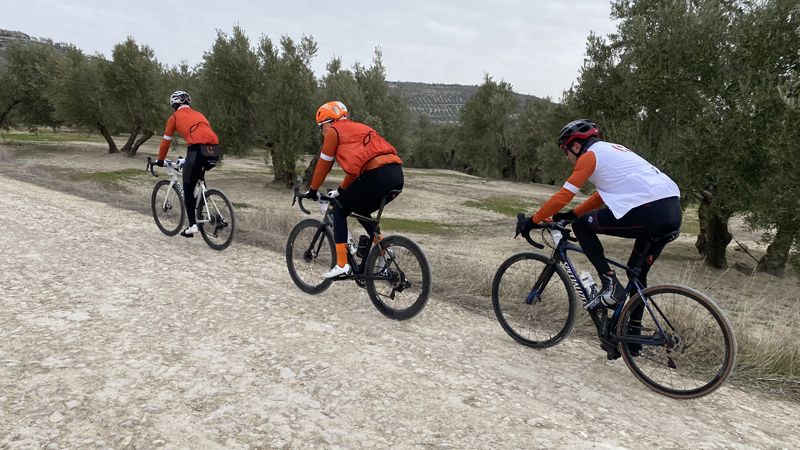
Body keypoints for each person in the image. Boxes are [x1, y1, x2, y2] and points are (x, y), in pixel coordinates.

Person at [519, 119, 682, 308]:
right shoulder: (612, 150)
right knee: (637, 275)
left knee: (581, 225)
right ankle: (632, 332)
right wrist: (570, 214)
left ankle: (610, 283)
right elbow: (600, 197)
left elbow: (564, 196)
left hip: (650, 211)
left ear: (576, 145)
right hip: (672, 211)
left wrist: (532, 221)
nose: (566, 157)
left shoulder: (588, 157)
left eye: (565, 150)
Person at [302, 101, 404, 278]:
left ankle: (342, 265)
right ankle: (384, 250)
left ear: (327, 122)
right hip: (396, 174)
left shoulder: (334, 131)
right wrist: (341, 190)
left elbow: (323, 164)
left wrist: (313, 189)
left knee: (339, 211)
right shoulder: (360, 127)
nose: (322, 132)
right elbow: (355, 170)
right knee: (361, 209)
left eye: (321, 127)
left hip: (376, 175)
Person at [157, 90, 220, 238]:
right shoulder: (199, 114)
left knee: (187, 187)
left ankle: (193, 225)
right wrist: (187, 159)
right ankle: (203, 211)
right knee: (198, 177)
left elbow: (166, 141)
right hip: (214, 149)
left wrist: (160, 160)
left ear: (174, 104)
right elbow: (202, 139)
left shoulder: (174, 117)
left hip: (197, 150)